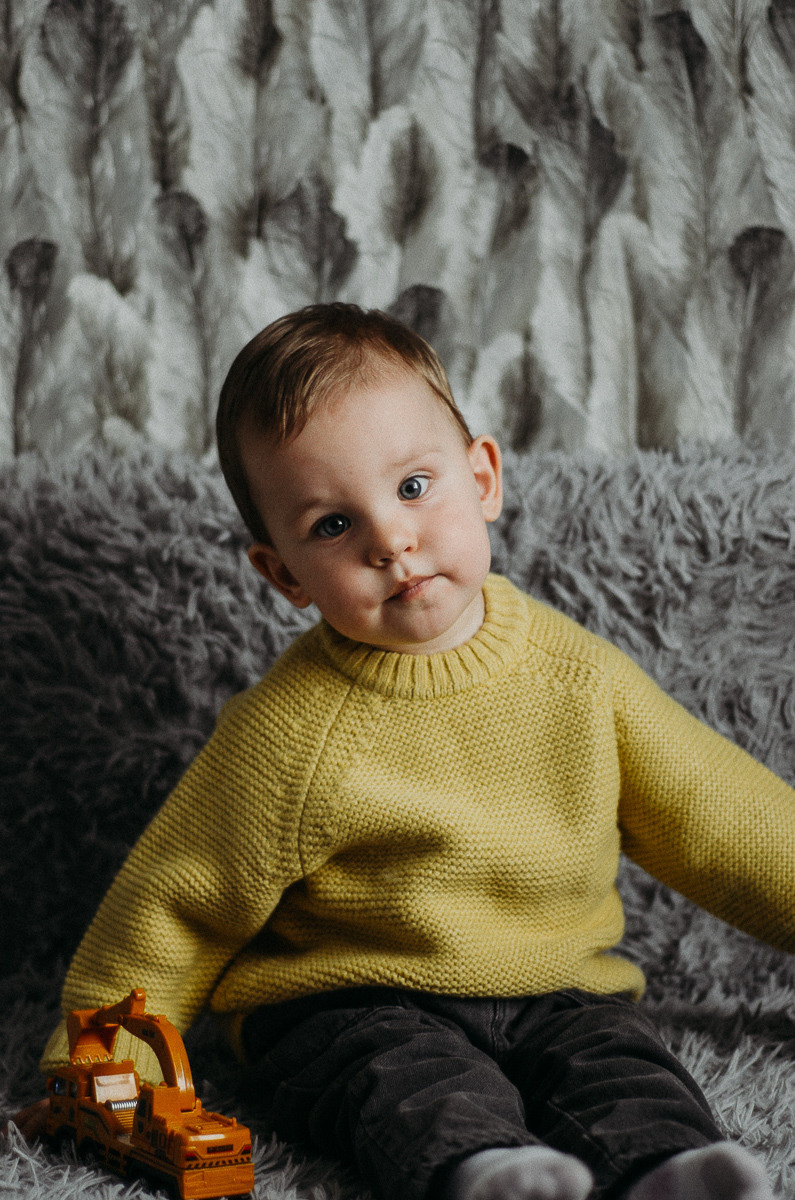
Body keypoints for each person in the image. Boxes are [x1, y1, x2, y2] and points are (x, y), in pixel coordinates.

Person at [11, 304, 794, 1200]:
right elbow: (174, 907)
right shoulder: (288, 732)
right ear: (284, 576)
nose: (390, 539)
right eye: (333, 527)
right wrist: (103, 1076)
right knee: (402, 1079)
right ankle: (484, 1172)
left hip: (557, 991)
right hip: (352, 997)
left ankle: (669, 1172)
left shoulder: (577, 676)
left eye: (413, 488)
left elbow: (721, 818)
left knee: (622, 1068)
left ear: (483, 477)